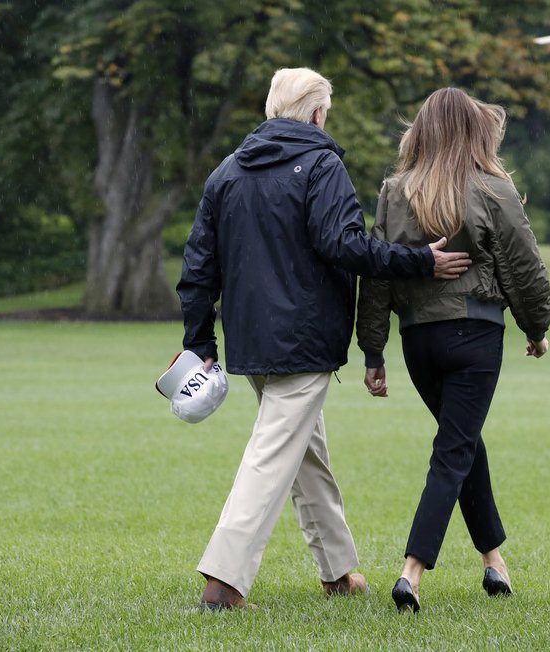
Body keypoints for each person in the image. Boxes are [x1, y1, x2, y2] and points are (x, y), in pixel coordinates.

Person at [177, 68, 472, 610]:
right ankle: (223, 581)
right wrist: (420, 261)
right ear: (316, 114)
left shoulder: (225, 173)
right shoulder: (321, 165)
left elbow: (198, 267)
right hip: (305, 341)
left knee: (305, 454)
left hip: (251, 344)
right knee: (272, 456)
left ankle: (338, 572)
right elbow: (348, 245)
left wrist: (200, 341)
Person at [356, 87, 550, 613]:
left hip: (419, 340)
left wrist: (373, 351)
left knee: (462, 442)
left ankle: (494, 563)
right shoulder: (492, 187)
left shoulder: (395, 190)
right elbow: (522, 264)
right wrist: (537, 328)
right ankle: (411, 572)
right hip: (475, 335)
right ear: (474, 132)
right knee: (454, 450)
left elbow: (376, 272)